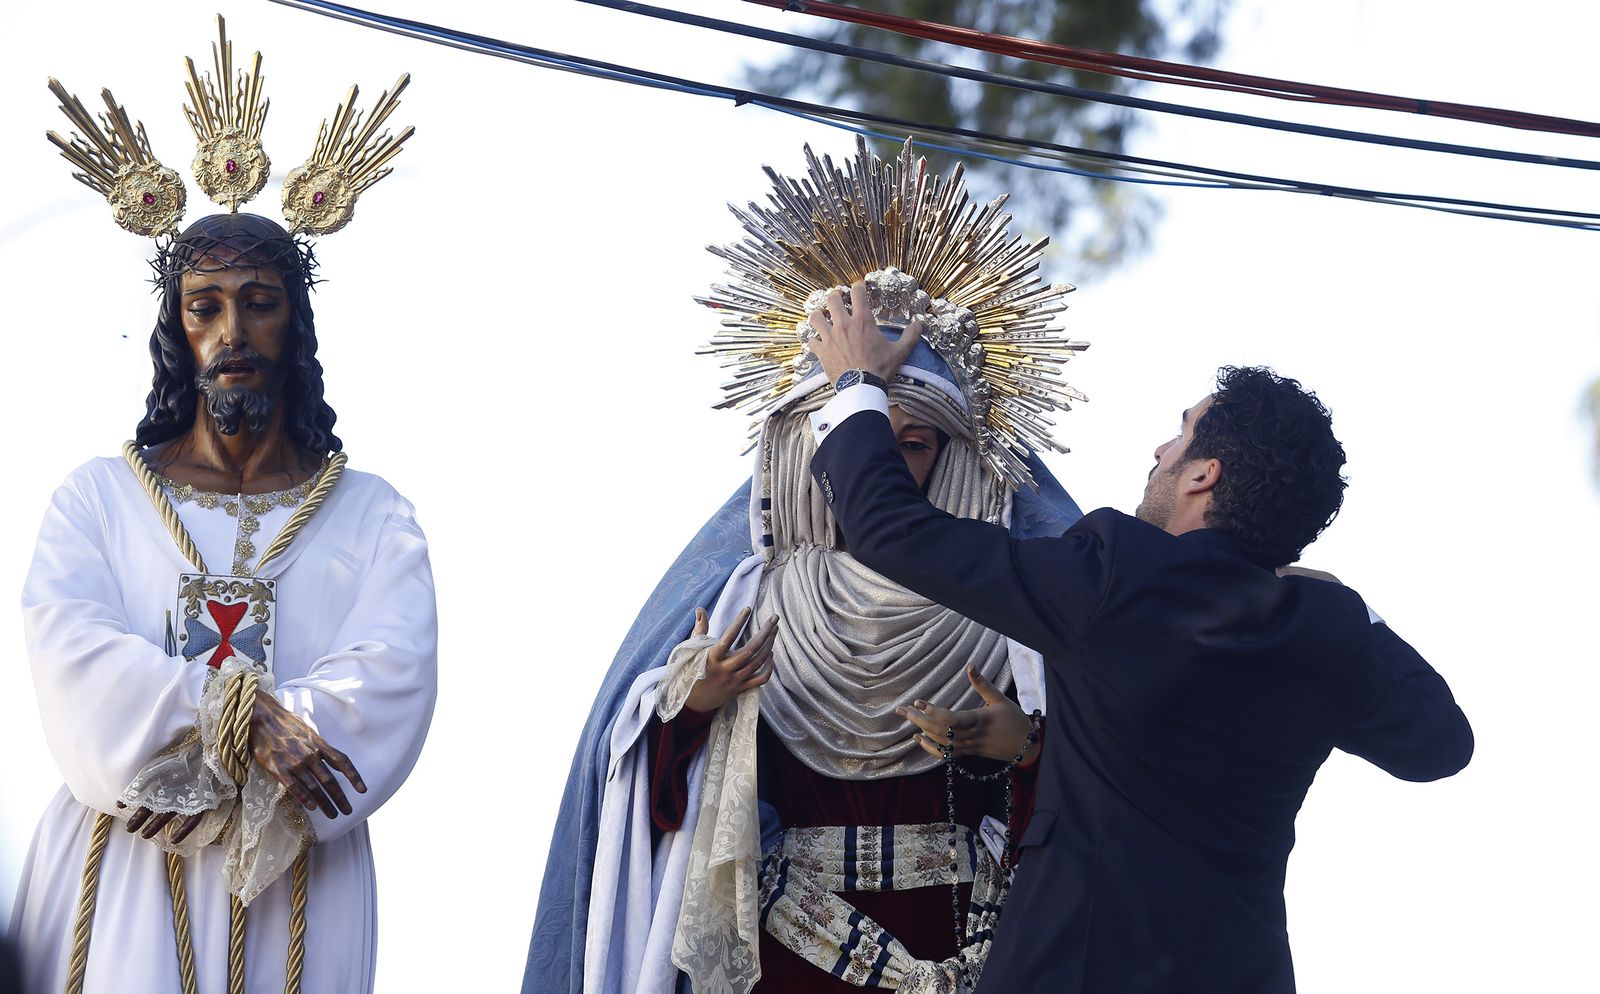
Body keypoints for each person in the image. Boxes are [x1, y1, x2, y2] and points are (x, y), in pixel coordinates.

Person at [524, 139, 1087, 994]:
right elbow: (640, 785)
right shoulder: (752, 592)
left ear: (957, 456)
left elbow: (1108, 776)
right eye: (864, 441)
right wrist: (695, 700)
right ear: (804, 451)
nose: (888, 470)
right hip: (790, 950)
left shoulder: (1010, 603)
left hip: (969, 942)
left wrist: (1028, 745)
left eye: (917, 445)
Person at [803, 289, 1474, 993]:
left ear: (1203, 475)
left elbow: (891, 531)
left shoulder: (1117, 575)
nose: (1159, 450)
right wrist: (1344, 605)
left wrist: (858, 385)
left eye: (1178, 436)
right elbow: (1441, 746)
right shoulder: (1328, 630)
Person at [14, 29, 434, 994]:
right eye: (204, 306)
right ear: (176, 331)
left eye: (259, 302)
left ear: (298, 321)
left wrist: (267, 734)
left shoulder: (373, 518)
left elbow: (392, 676)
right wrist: (238, 721)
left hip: (298, 872)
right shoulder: (99, 498)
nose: (233, 332)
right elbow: (72, 656)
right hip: (123, 857)